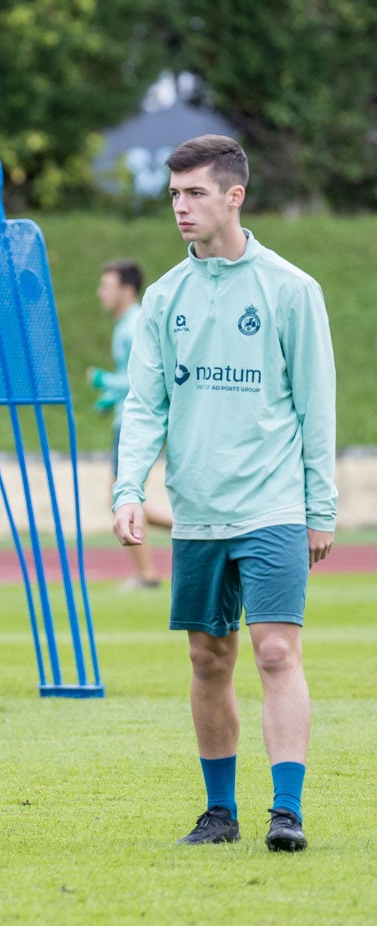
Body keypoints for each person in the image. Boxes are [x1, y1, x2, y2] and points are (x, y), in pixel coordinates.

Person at [112, 136, 336, 852]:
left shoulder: (289, 289)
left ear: (233, 195)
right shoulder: (162, 297)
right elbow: (143, 406)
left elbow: (316, 407)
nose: (180, 206)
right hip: (198, 510)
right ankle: (218, 813)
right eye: (174, 194)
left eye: (195, 193)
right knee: (208, 657)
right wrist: (127, 487)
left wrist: (319, 506)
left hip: (271, 505)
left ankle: (286, 810)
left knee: (274, 651)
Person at [87, 259, 172, 589]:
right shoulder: (126, 323)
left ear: (127, 290)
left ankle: (148, 573)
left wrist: (103, 381)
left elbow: (145, 376)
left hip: (134, 424)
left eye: (106, 286)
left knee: (122, 495)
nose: (100, 293)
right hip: (126, 418)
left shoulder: (134, 323)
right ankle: (185, 532)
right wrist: (109, 398)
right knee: (123, 496)